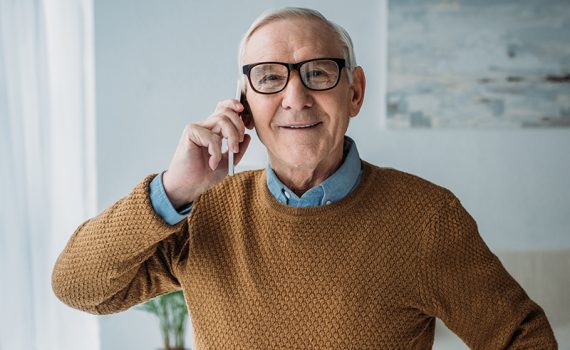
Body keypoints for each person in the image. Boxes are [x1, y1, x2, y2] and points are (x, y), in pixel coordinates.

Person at [52, 7, 558, 349]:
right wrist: (174, 189)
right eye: (270, 77)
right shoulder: (200, 212)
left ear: (354, 92)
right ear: (244, 102)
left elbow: (523, 338)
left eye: (318, 72)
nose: (295, 97)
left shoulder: (427, 217)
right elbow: (77, 287)